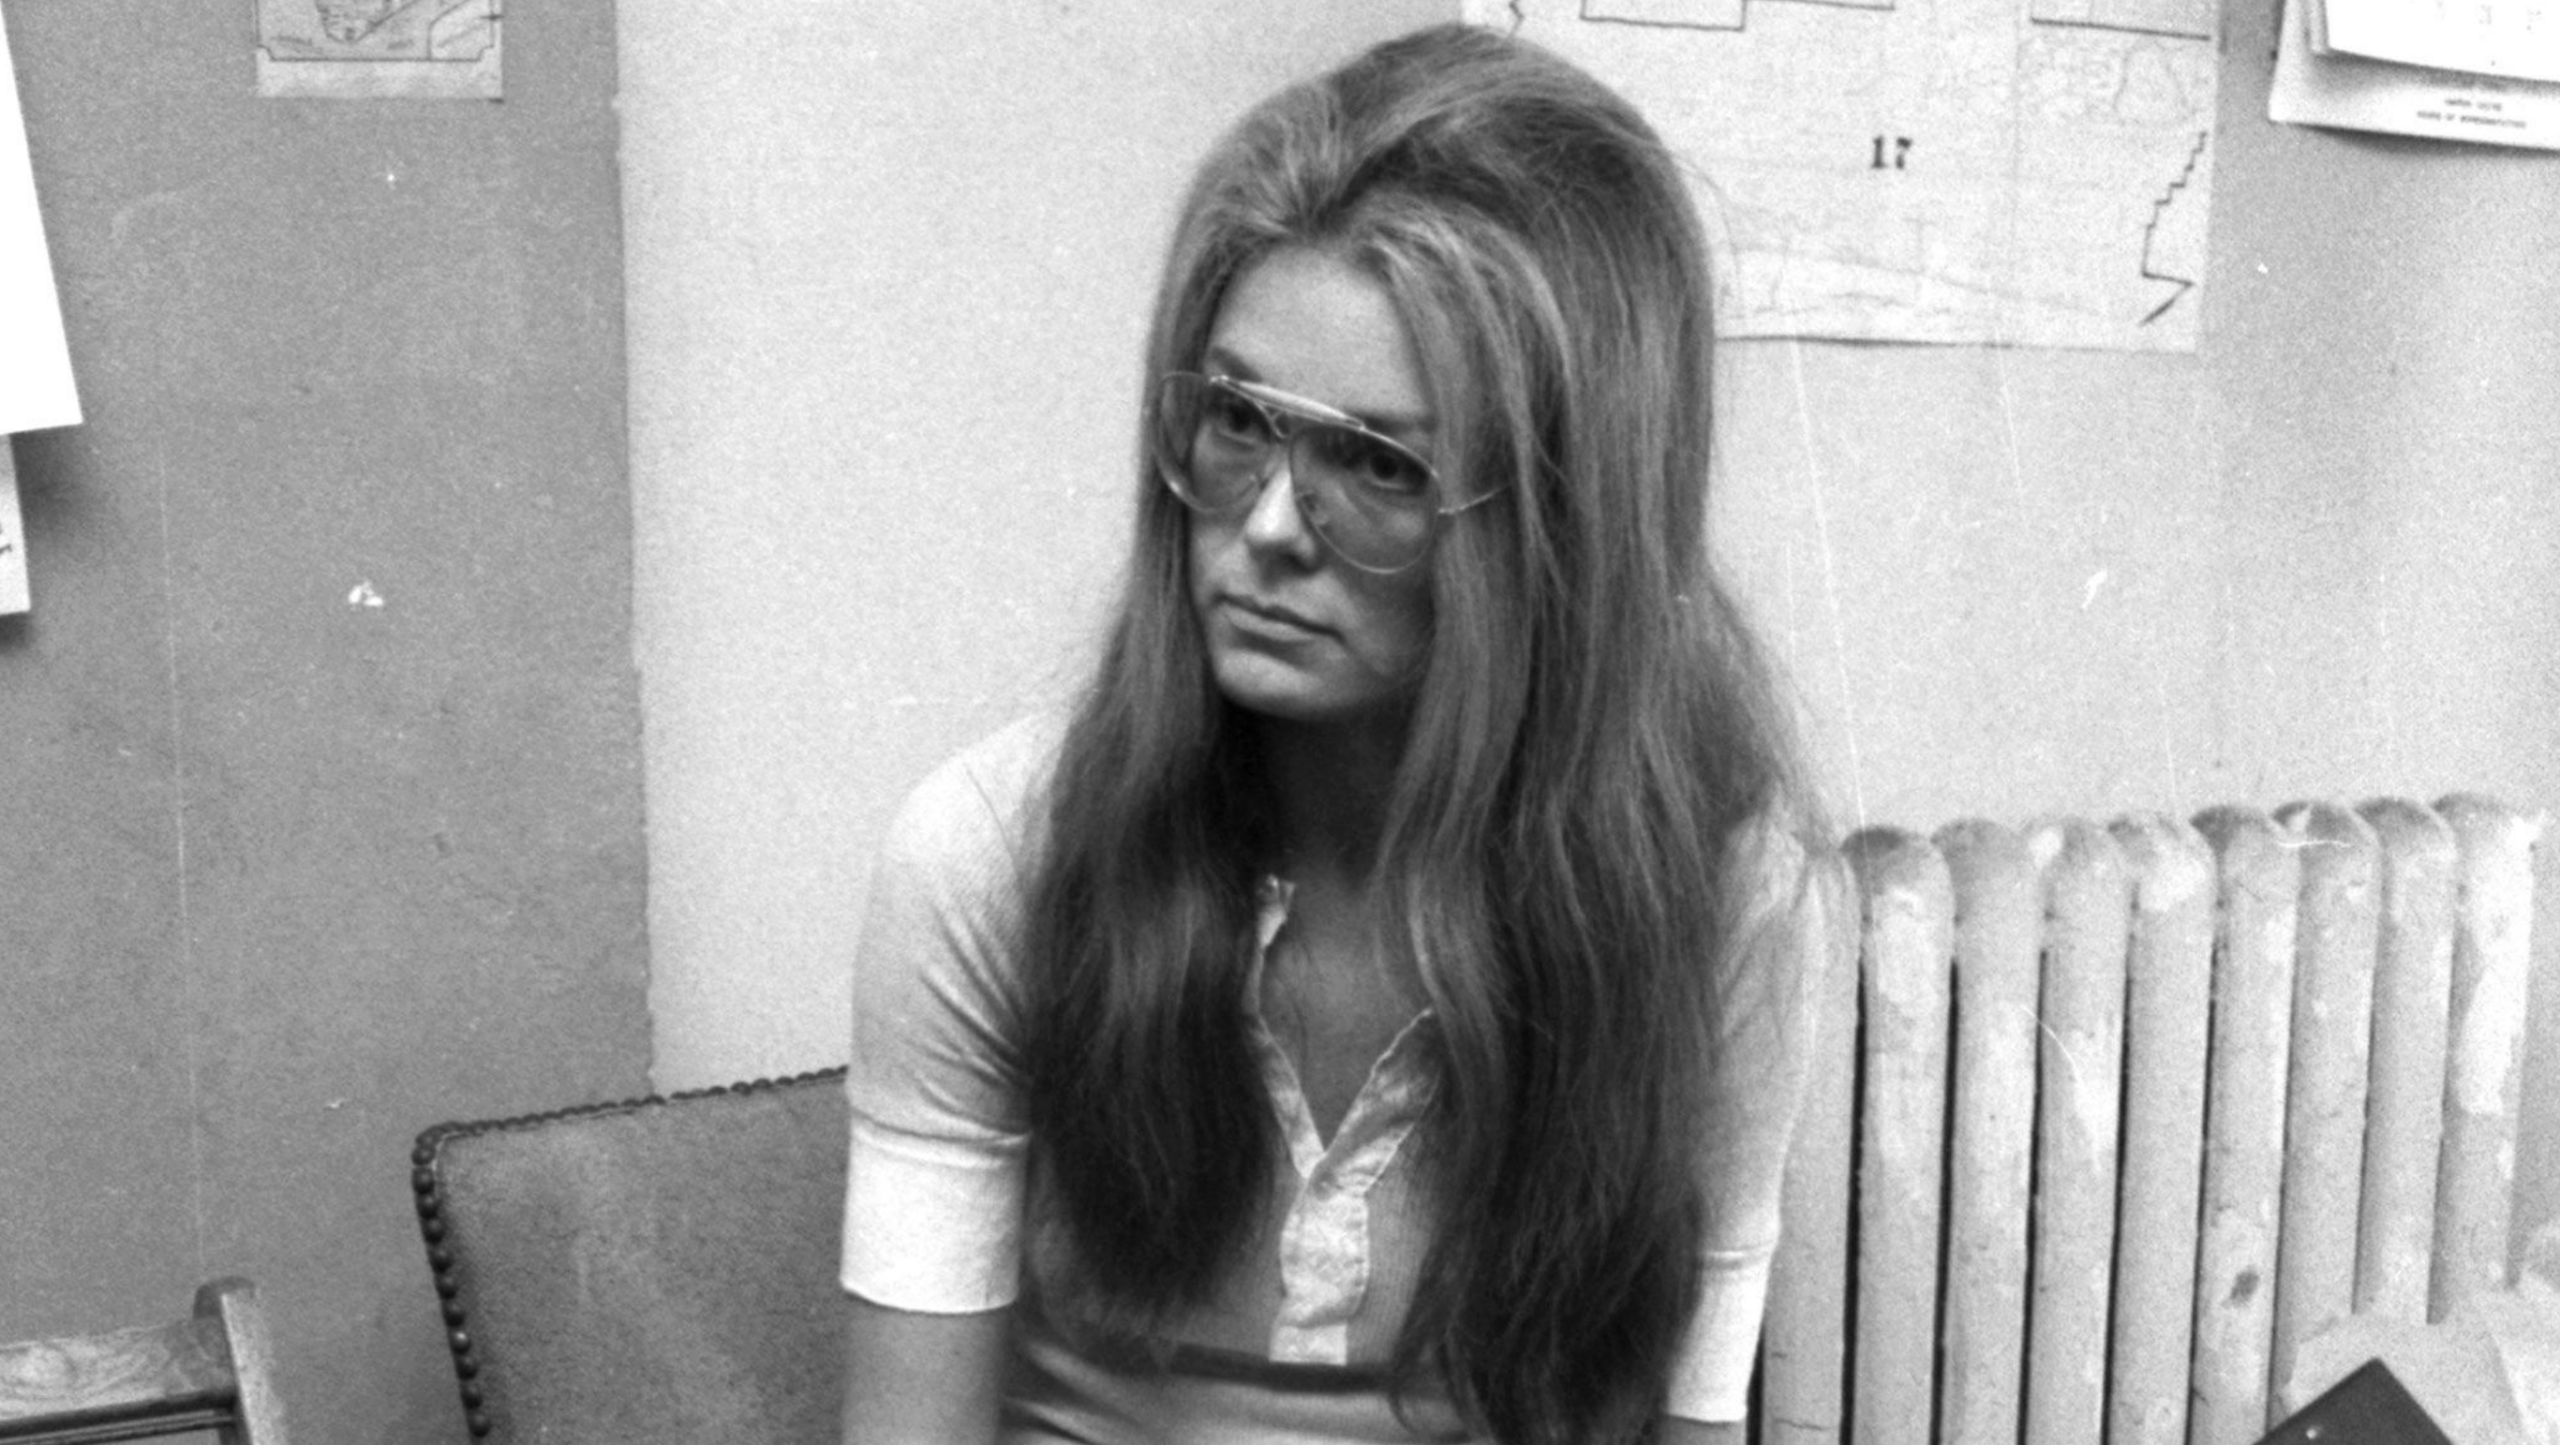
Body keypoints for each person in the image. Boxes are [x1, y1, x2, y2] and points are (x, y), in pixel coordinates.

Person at [837, 22, 1831, 1445]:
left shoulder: (1726, 893)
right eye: (1239, 419)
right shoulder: (991, 853)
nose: (1267, 527)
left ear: (1566, 524)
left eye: (1376, 462)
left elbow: (1690, 1419)